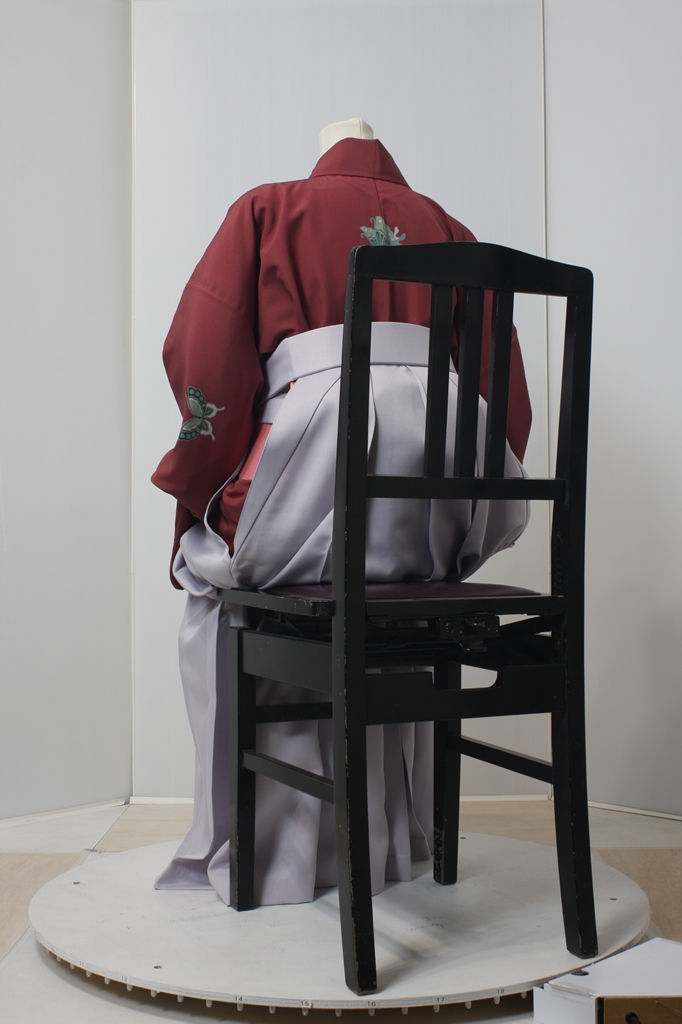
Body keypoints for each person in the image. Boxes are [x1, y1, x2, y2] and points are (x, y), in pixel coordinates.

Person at [151, 119, 532, 908]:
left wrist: (207, 476)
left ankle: (266, 846)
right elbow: (504, 396)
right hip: (431, 525)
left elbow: (203, 352)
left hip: (311, 484)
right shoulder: (454, 233)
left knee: (210, 574)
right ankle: (392, 837)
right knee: (383, 596)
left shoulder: (268, 209)